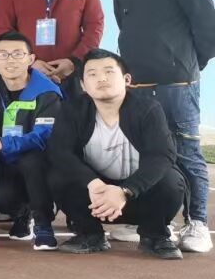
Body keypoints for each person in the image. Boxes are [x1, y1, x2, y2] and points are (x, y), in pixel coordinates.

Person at [114, 0, 215, 254]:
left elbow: (208, 29)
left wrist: (185, 66)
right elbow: (125, 27)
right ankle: (153, 219)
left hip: (176, 85)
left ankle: (197, 222)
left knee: (185, 152)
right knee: (145, 155)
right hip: (135, 86)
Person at [47, 49, 185, 259]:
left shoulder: (148, 109)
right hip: (95, 197)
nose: (101, 78)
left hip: (138, 196)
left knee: (171, 180)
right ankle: (89, 234)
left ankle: (154, 236)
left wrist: (125, 191)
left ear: (126, 79)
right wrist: (93, 183)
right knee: (57, 176)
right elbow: (60, 152)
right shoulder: (72, 110)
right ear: (83, 85)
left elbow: (162, 155)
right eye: (92, 74)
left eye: (109, 72)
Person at [0, 32, 60, 250]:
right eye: (3, 55)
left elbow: (44, 137)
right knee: (2, 197)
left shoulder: (47, 93)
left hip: (42, 164)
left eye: (17, 54)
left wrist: (4, 143)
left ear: (31, 59)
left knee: (32, 161)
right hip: (4, 163)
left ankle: (43, 223)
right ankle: (22, 213)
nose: (10, 60)